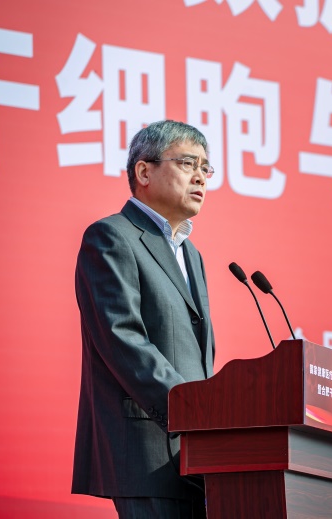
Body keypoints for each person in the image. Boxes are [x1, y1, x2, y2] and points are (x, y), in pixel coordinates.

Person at [71, 120, 215, 518]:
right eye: (188, 163)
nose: (200, 176)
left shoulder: (192, 255)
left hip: (199, 457)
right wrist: (192, 411)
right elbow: (123, 338)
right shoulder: (112, 237)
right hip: (147, 451)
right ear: (144, 171)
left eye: (206, 168)